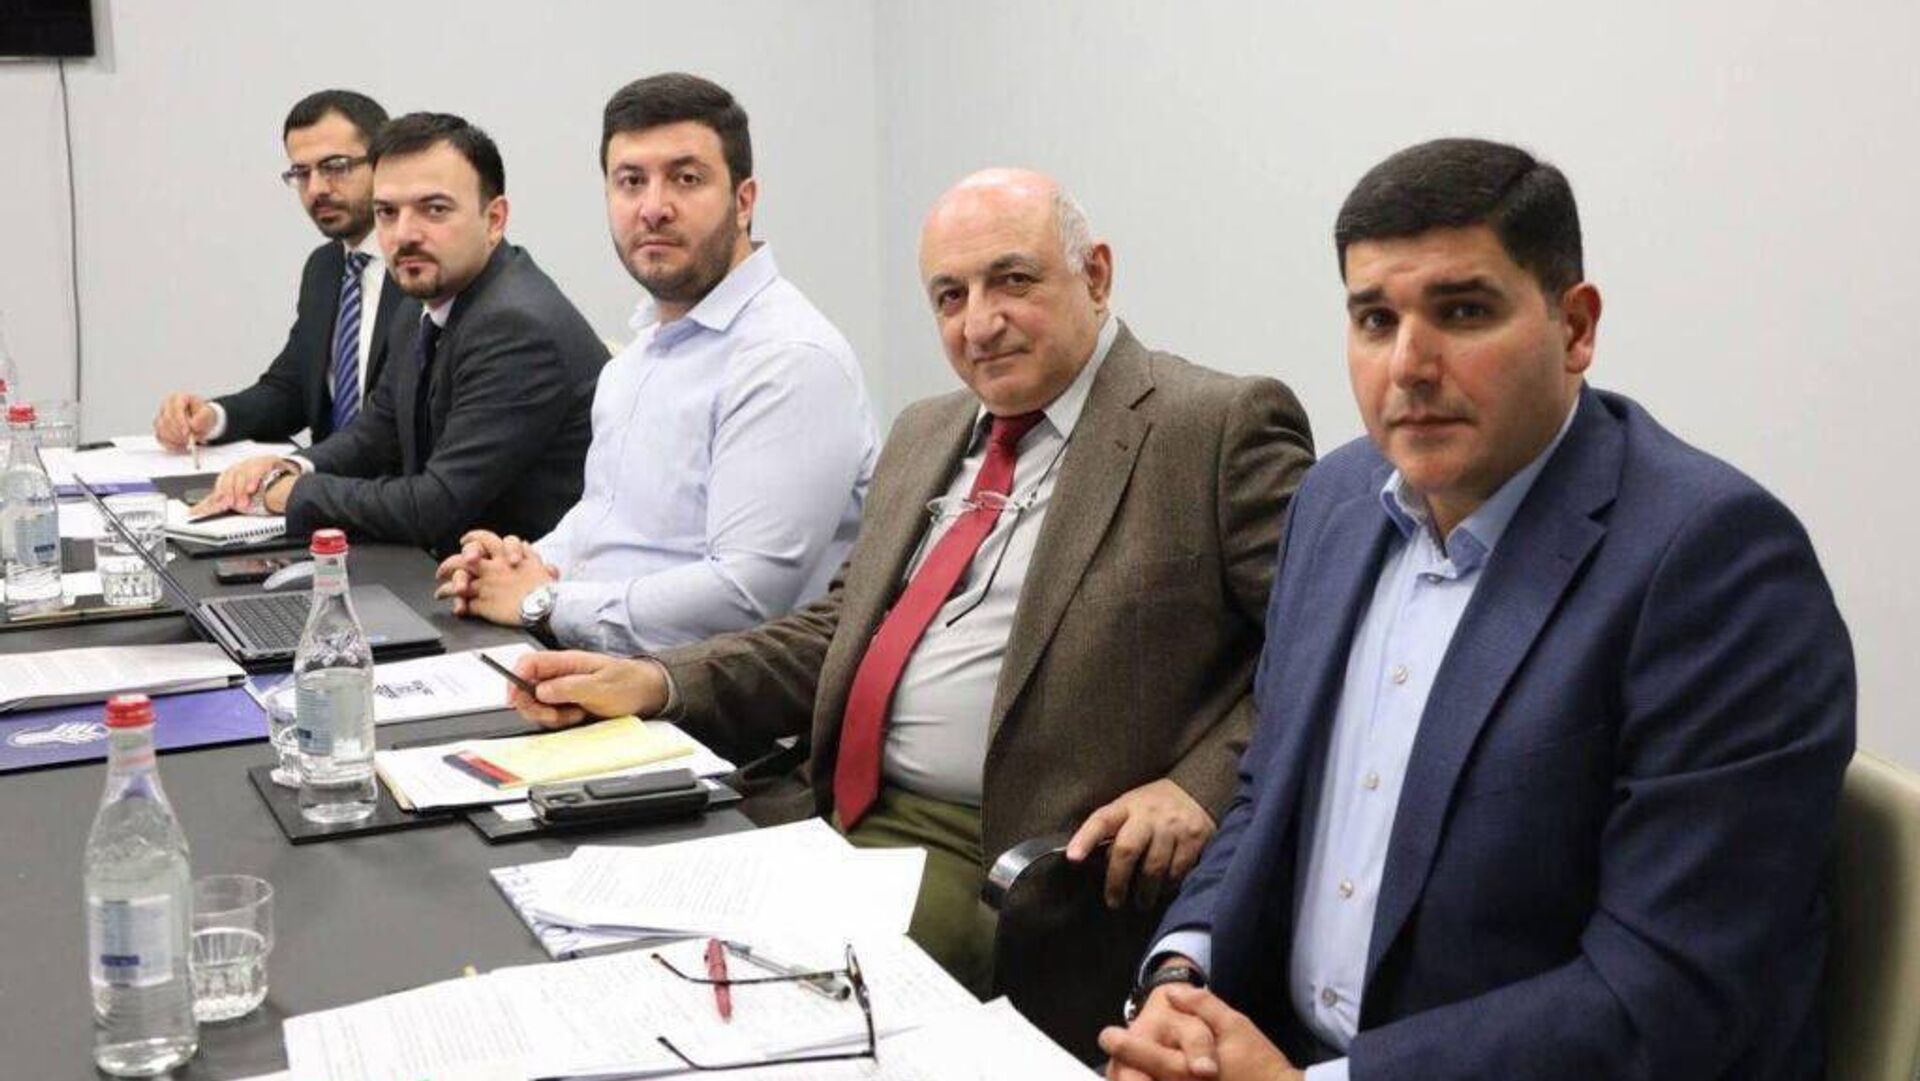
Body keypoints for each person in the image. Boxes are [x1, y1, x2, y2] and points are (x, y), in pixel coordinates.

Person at [1102, 138, 1855, 1081]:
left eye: (1462, 311)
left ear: (1575, 326)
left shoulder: (1714, 563)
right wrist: (1183, 977)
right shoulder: (1335, 503)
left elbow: (1670, 990)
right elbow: (1265, 796)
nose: (1410, 365)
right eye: (1375, 319)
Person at [507, 168, 1315, 993]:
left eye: (1013, 280)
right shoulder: (927, 430)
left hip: (1010, 855)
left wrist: (1201, 787)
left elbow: (1324, 659)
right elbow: (838, 633)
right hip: (822, 811)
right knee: (583, 942)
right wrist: (658, 681)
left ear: (1096, 275)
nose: (981, 323)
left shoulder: (1211, 428)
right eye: (950, 297)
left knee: (748, 994)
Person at [433, 73, 876, 652]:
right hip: (591, 661)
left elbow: (746, 596)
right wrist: (516, 563)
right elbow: (604, 523)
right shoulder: (639, 356)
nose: (653, 208)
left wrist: (544, 601)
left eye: (686, 179)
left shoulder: (788, 359)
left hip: (700, 694)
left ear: (744, 202)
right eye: (631, 181)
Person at [197, 113, 607, 555]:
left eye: (434, 209)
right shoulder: (419, 302)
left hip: (533, 585)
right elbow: (377, 433)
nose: (404, 235)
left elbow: (435, 506)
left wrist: (292, 494)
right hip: (444, 567)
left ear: (494, 220)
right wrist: (292, 466)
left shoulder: (516, 328)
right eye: (387, 213)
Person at [153, 89, 403, 449]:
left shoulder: (423, 268)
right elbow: (294, 389)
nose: (316, 189)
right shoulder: (326, 267)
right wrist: (213, 417)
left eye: (335, 167)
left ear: (384, 164)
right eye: (301, 172)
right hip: (324, 476)